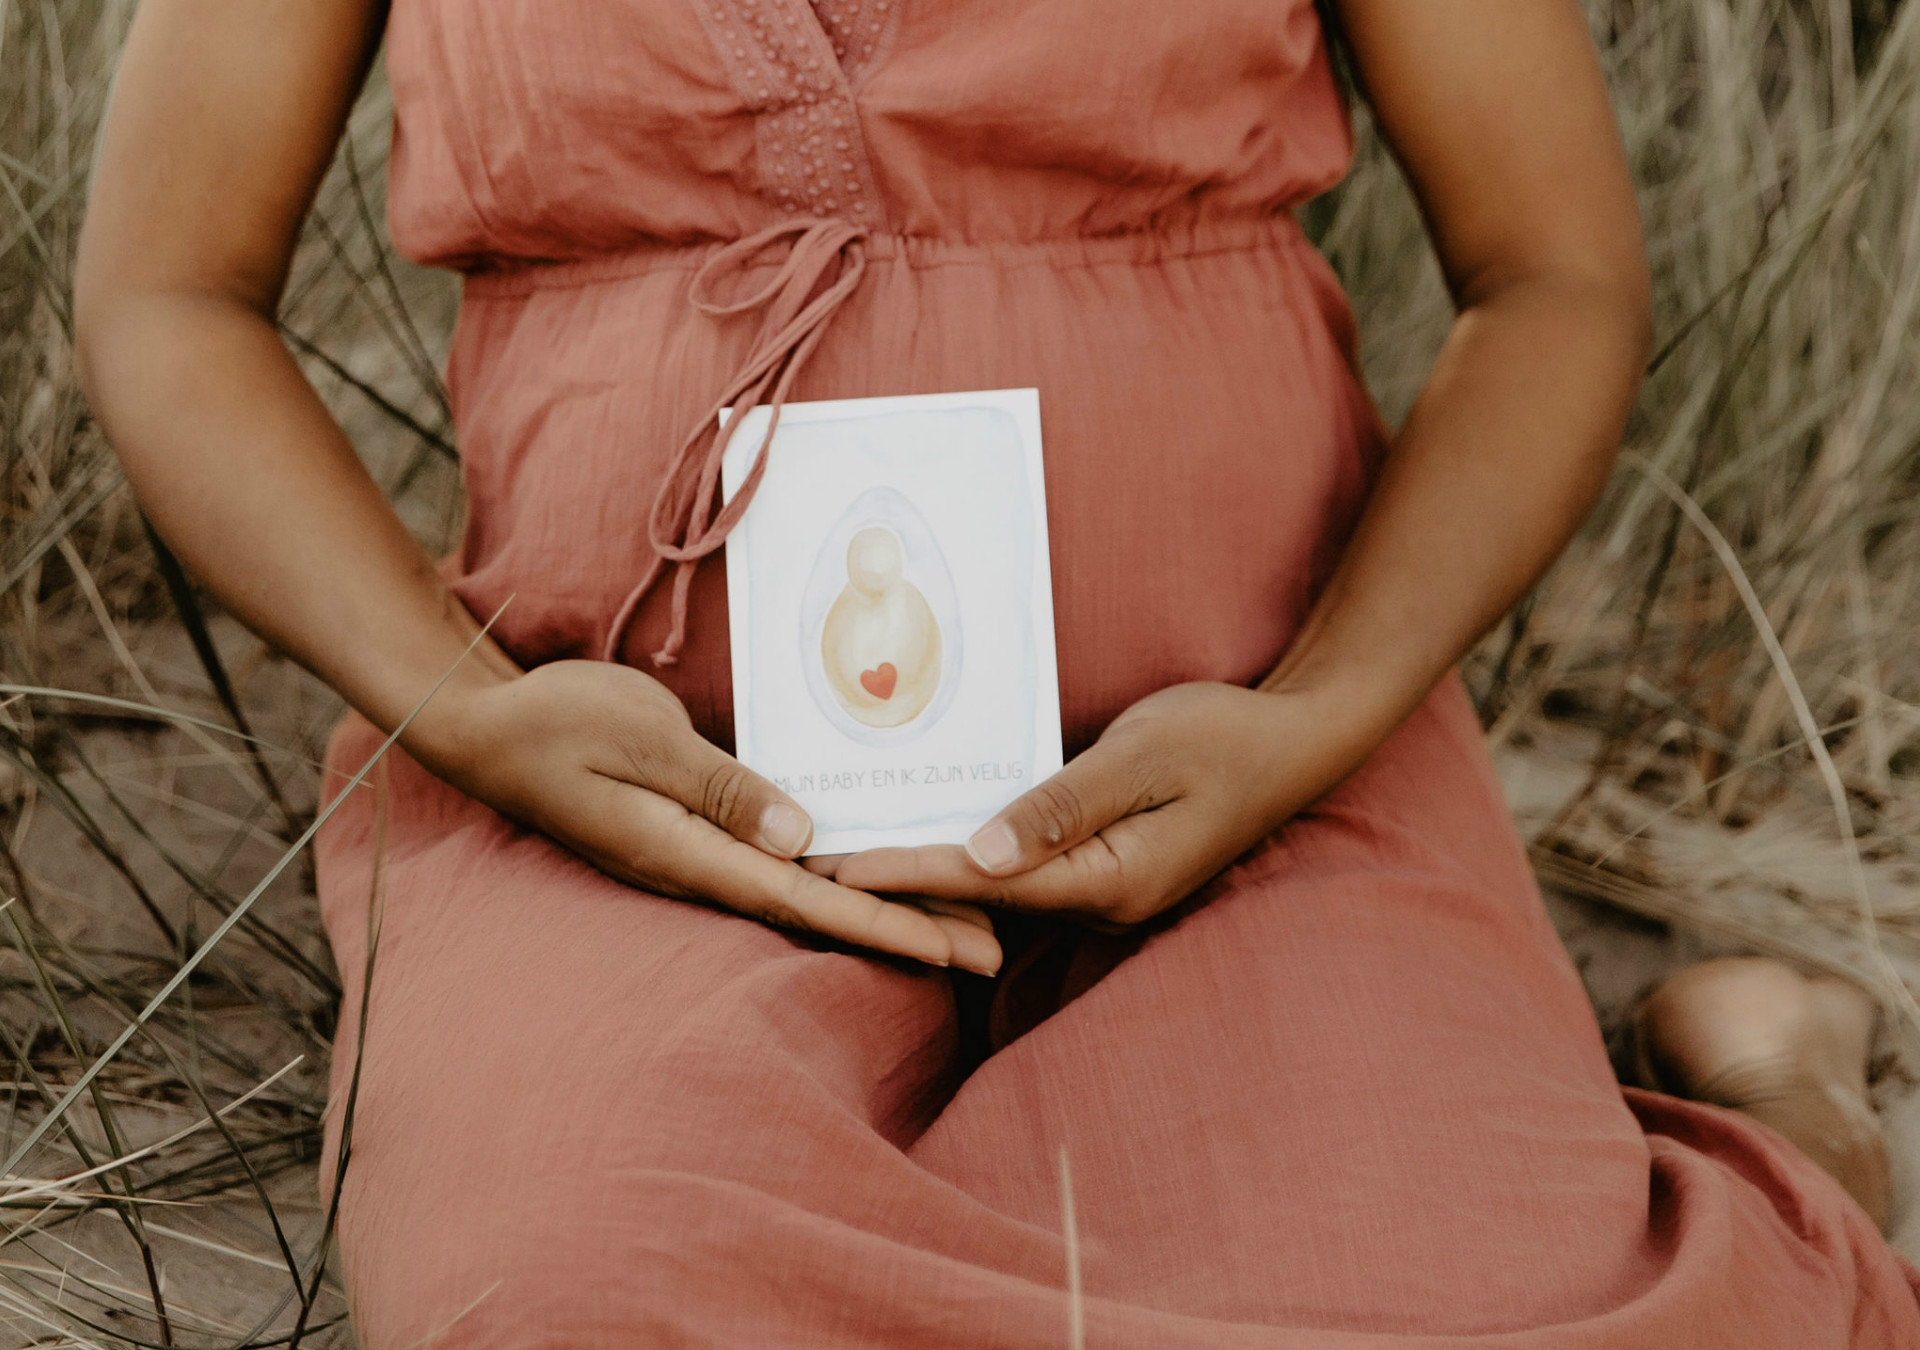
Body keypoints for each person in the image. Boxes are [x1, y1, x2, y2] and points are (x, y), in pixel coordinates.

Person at [73, 0, 1920, 1343]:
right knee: (577, 1296)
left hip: (1251, 769)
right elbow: (170, 286)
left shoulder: (1288, 736)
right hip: (630, 809)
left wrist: (1314, 715)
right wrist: (471, 710)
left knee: (1494, 1298)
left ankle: (1782, 1091)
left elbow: (1554, 271)